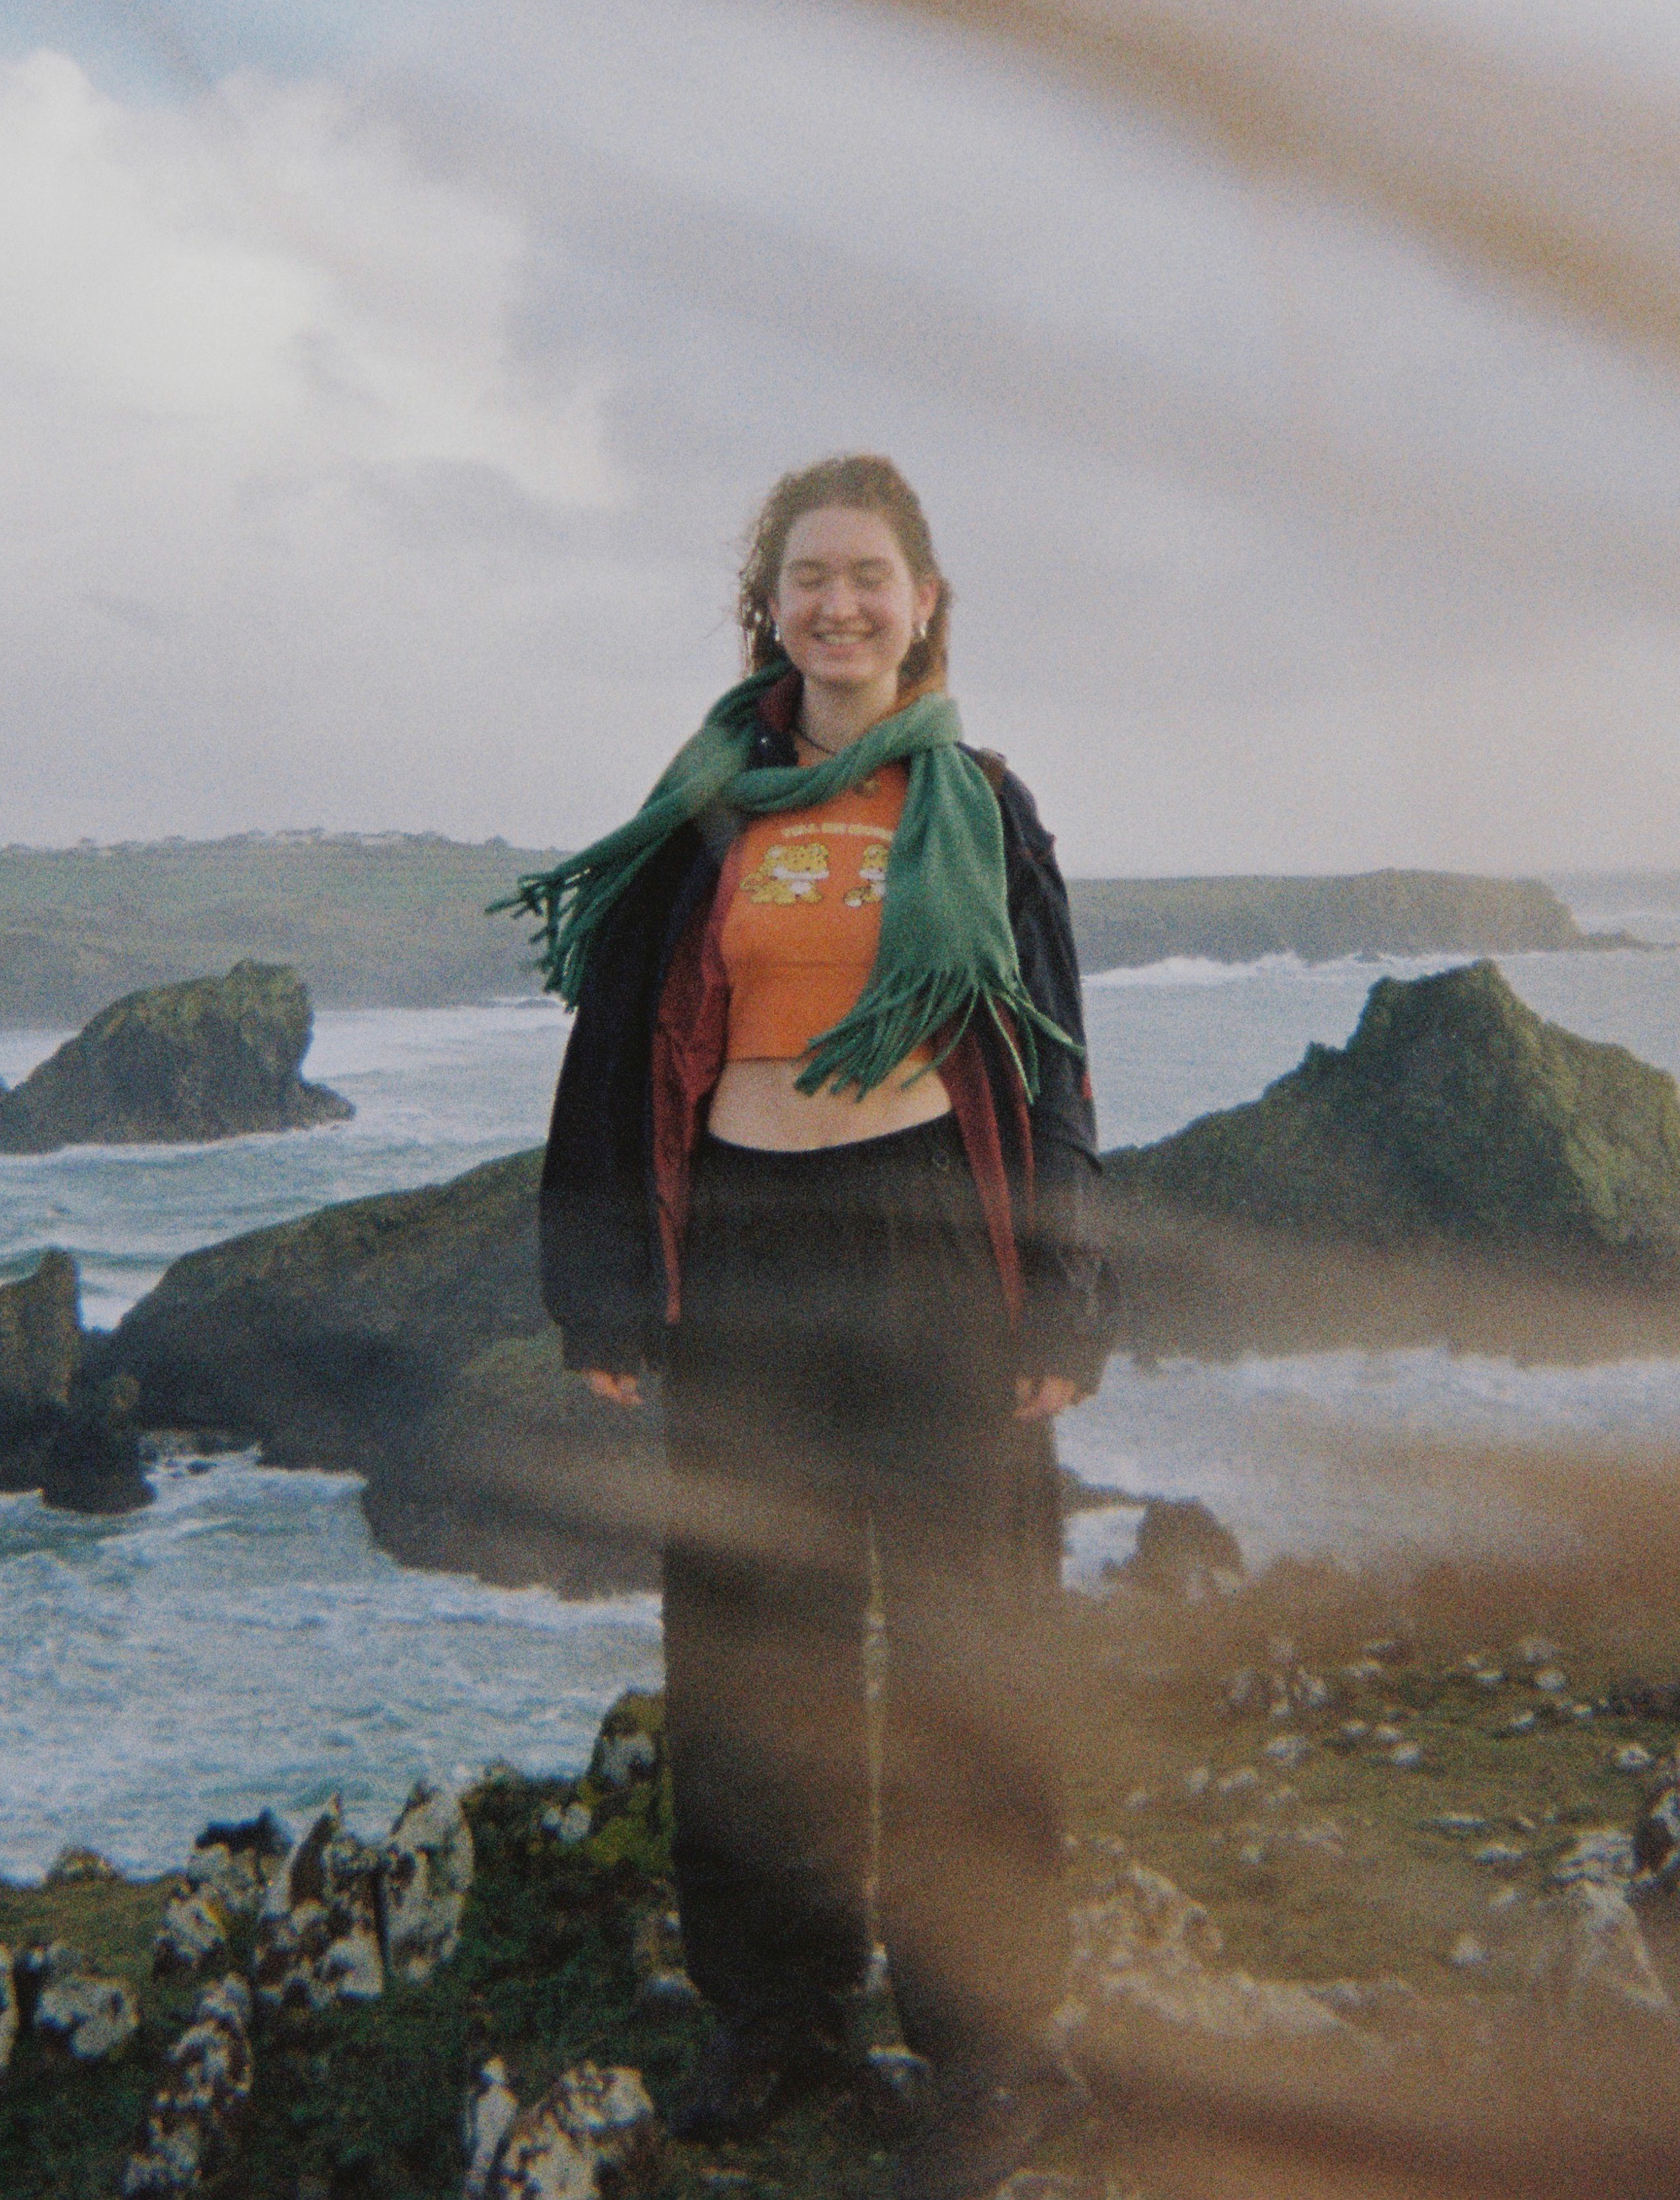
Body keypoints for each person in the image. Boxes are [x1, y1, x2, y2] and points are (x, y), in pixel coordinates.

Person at [514, 452, 1109, 2200]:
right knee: (749, 1648)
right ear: (765, 607)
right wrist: (599, 1283)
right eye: (808, 576)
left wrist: (1068, 1289)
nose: (838, 603)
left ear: (923, 604)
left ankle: (990, 2050)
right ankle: (778, 2012)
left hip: (934, 1247)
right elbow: (614, 1049)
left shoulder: (981, 806)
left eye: (869, 575)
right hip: (745, 1249)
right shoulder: (705, 810)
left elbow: (1053, 1062)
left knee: (966, 1650)